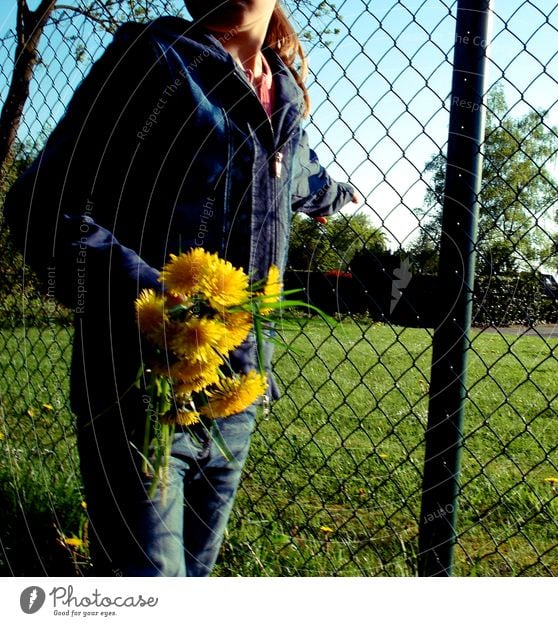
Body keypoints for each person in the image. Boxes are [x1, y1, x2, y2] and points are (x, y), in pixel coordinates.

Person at [3, 0, 358, 576]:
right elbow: (41, 206)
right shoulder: (151, 61)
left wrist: (342, 196)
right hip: (138, 390)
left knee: (194, 578)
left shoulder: (286, 99)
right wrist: (152, 299)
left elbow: (301, 177)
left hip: (236, 396)